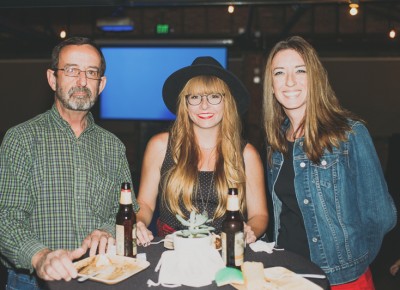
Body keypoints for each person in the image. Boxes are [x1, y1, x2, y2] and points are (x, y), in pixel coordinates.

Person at [0, 37, 138, 289]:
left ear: (101, 84)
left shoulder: (113, 146)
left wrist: (108, 230)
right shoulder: (20, 139)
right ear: (53, 79)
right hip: (32, 282)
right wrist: (40, 256)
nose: (82, 81)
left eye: (91, 73)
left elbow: (129, 211)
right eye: (72, 70)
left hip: (101, 277)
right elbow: (6, 217)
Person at [262, 36, 397, 288]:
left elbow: (381, 215)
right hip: (286, 273)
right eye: (279, 73)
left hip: (341, 279)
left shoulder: (349, 134)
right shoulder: (276, 142)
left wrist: (352, 261)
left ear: (315, 77)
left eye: (300, 70)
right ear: (271, 85)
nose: (289, 81)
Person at [136, 56, 268, 246]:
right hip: (171, 252)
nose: (204, 105)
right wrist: (138, 222)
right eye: (195, 97)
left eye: (214, 96)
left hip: (224, 252)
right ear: (185, 104)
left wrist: (250, 231)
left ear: (227, 102)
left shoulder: (247, 155)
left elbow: (259, 215)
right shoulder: (160, 146)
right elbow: (145, 204)